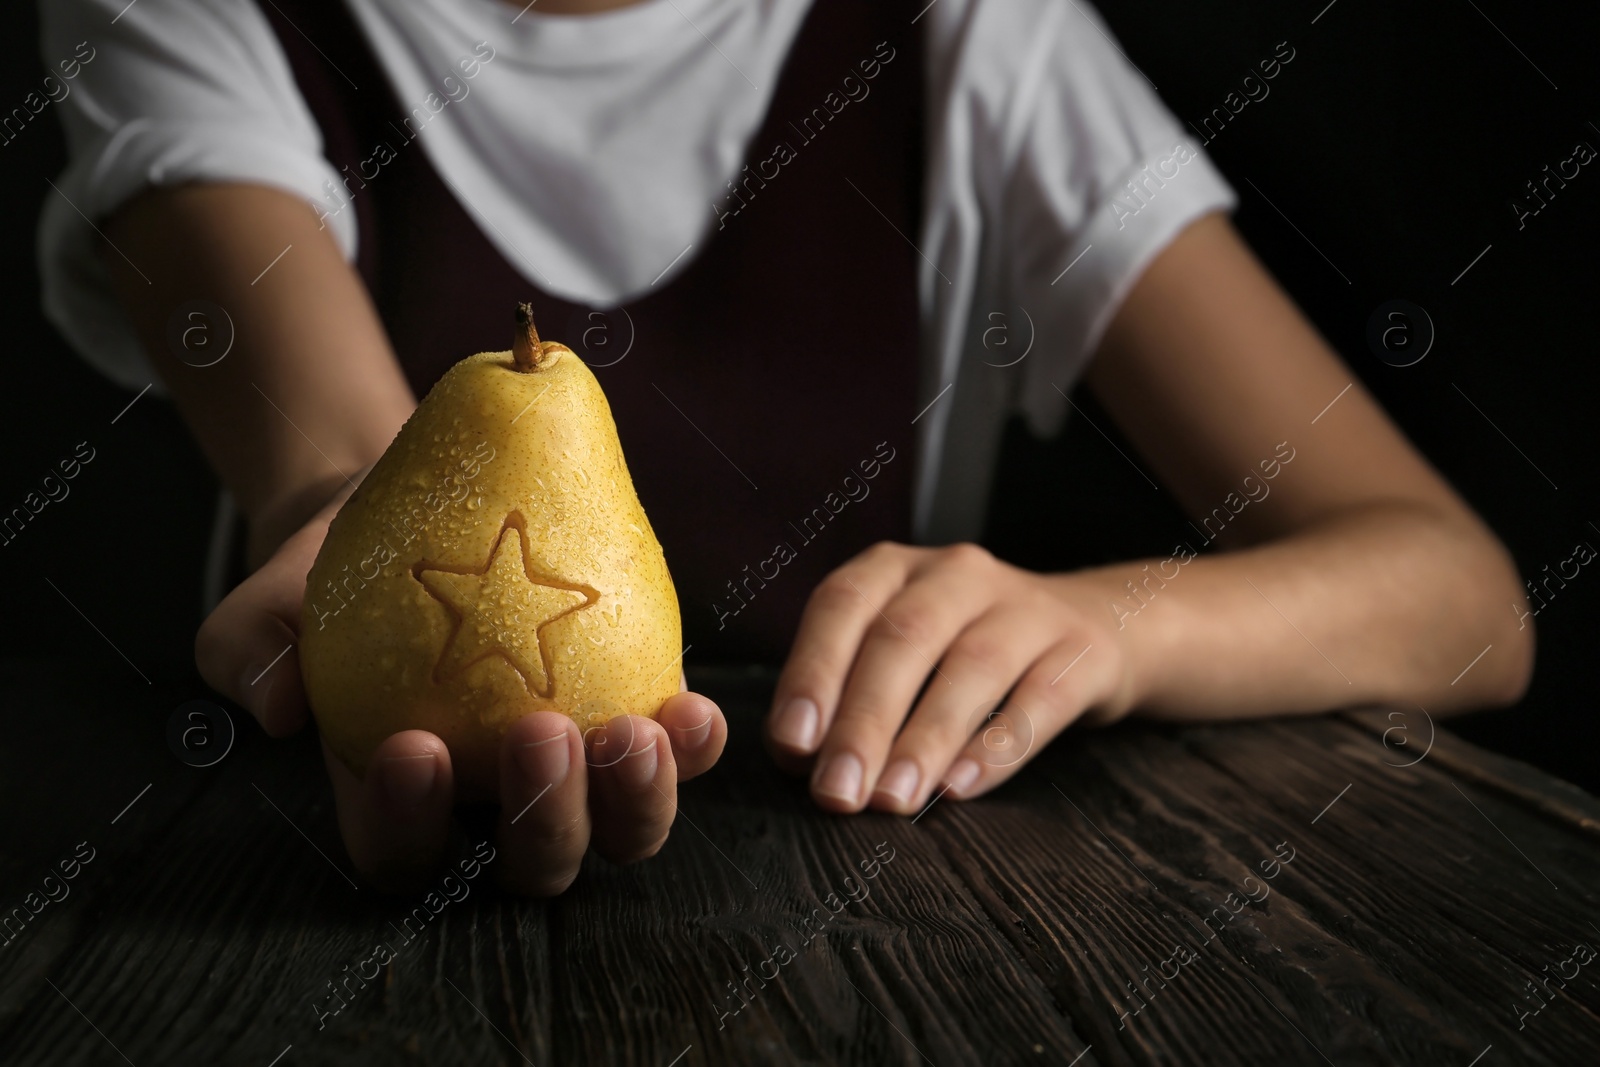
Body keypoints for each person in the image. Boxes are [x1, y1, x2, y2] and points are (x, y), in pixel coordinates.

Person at [39, 0, 1532, 895]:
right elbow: (350, 473)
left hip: (877, 904)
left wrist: (1107, 626)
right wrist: (352, 570)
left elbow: (1463, 600)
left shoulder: (976, 38)